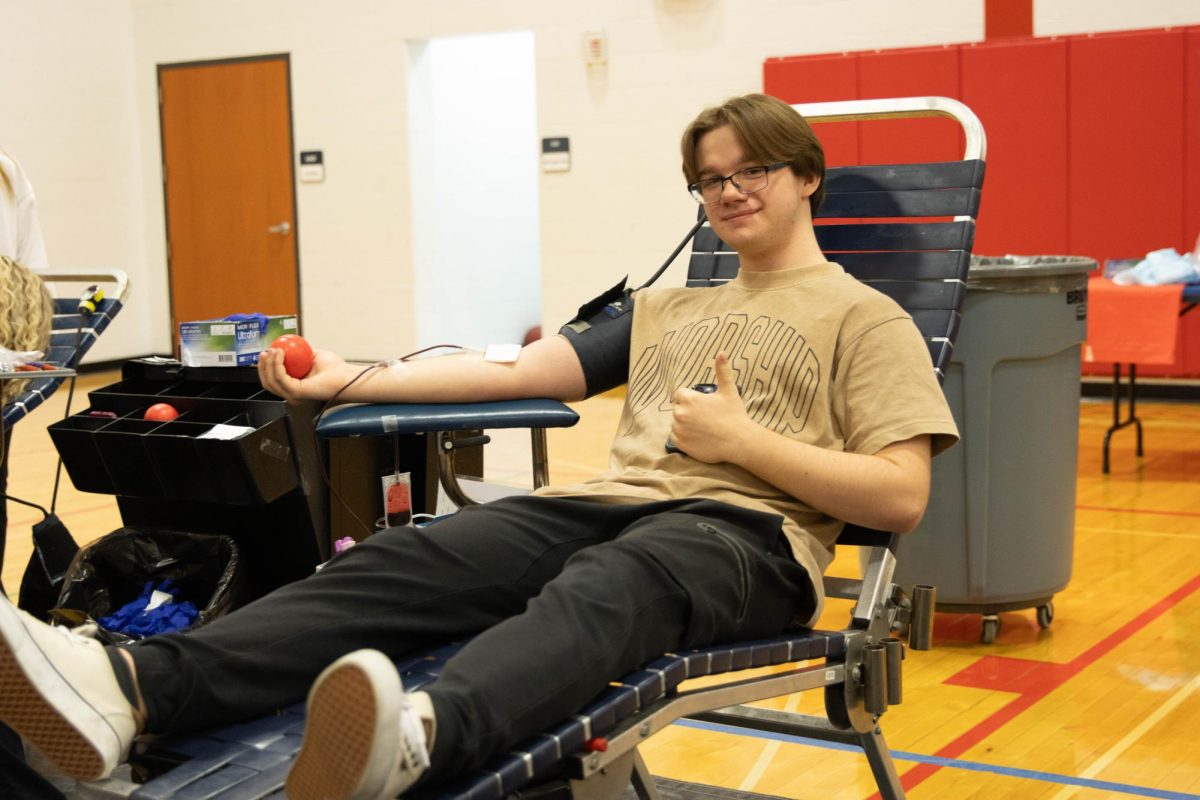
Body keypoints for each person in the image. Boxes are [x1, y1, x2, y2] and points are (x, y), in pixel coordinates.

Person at [0, 94, 958, 800]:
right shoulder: (670, 306)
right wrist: (348, 379)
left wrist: (746, 442)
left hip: (745, 540)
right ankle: (131, 689)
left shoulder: (866, 319)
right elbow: (516, 374)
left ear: (807, 176)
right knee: (412, 558)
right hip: (612, 509)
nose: (730, 191)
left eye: (753, 170)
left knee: (611, 589)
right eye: (711, 177)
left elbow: (898, 496)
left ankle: (417, 737)